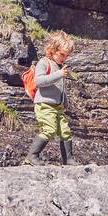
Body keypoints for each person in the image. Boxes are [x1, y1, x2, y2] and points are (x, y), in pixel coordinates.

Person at [24, 31, 75, 165]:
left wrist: (65, 100)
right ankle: (32, 156)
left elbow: (60, 87)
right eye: (62, 54)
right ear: (52, 50)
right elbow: (39, 81)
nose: (64, 58)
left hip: (57, 106)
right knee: (49, 129)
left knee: (65, 131)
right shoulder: (44, 62)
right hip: (44, 104)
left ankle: (68, 159)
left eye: (67, 55)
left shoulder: (59, 66)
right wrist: (58, 74)